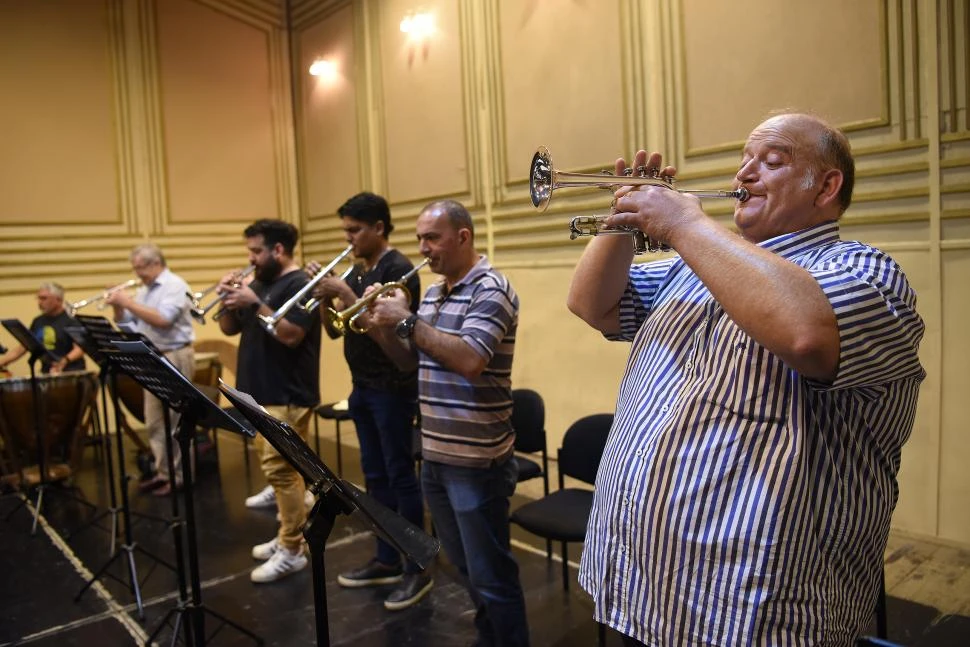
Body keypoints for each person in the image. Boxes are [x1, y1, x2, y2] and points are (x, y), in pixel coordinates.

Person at [566, 113, 926, 646]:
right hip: (645, 587)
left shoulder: (868, 271)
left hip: (751, 611)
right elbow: (591, 305)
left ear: (826, 186)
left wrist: (684, 224)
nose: (747, 172)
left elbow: (808, 335)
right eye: (745, 160)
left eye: (773, 161)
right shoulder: (691, 266)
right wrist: (624, 216)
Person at [365, 200, 530, 645]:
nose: (423, 248)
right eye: (419, 238)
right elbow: (409, 362)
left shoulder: (491, 290)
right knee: (462, 565)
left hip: (476, 461)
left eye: (431, 238)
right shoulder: (436, 291)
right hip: (436, 453)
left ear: (463, 237)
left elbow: (470, 360)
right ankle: (488, 635)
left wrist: (407, 320)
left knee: (491, 572)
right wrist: (383, 325)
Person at [304, 192, 431, 610]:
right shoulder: (359, 270)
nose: (350, 238)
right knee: (374, 478)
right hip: (362, 387)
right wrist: (327, 297)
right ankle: (386, 556)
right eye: (346, 231)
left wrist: (341, 290)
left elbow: (391, 331)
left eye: (355, 230)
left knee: (399, 475)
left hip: (392, 389)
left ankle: (416, 566)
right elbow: (337, 330)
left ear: (379, 227)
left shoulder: (398, 270)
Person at [217, 219, 321, 584]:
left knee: (282, 473)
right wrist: (229, 299)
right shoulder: (259, 281)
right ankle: (285, 537)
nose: (251, 258)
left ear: (278, 250)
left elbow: (291, 335)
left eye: (257, 251)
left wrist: (256, 302)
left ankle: (293, 549)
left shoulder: (302, 285)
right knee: (280, 474)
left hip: (287, 394)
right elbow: (229, 328)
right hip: (259, 391)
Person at [106, 244, 195, 498]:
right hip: (152, 357)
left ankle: (180, 477)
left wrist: (128, 302)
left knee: (176, 421)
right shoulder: (145, 290)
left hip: (175, 354)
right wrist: (119, 308)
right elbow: (131, 329)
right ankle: (163, 473)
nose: (137, 274)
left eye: (140, 268)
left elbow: (163, 320)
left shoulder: (175, 285)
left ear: (155, 263)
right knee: (155, 422)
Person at [0, 282, 86, 374]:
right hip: (47, 373)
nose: (40, 302)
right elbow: (24, 346)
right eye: (39, 298)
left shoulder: (71, 320)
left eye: (44, 298)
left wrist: (64, 361)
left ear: (58, 300)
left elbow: (80, 348)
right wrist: (3, 362)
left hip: (71, 373)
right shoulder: (38, 321)